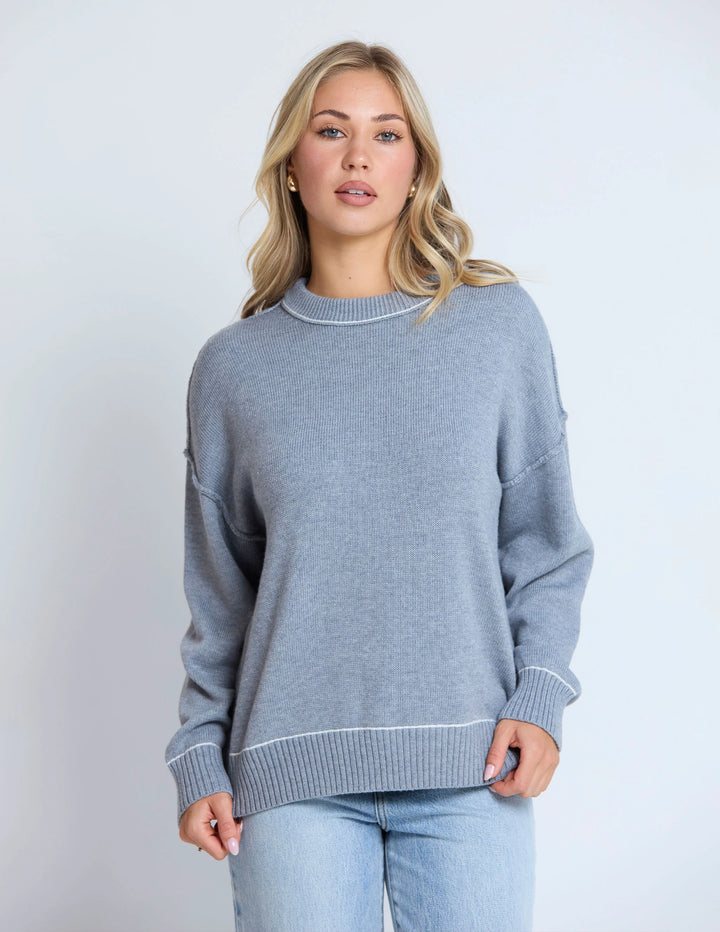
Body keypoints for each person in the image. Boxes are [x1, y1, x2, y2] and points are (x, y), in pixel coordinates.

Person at [164, 40, 594, 932]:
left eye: (386, 134)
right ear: (292, 166)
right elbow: (222, 596)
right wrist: (198, 751)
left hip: (473, 768)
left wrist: (542, 696)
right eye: (332, 130)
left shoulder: (496, 328)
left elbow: (546, 545)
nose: (359, 155)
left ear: (417, 170)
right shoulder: (234, 370)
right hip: (291, 778)